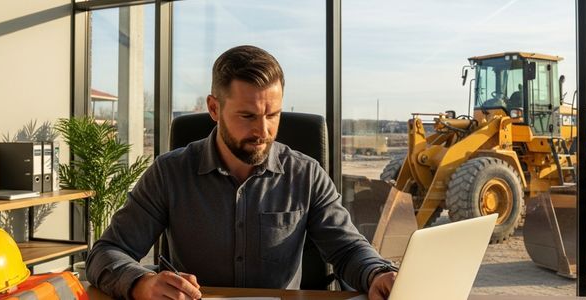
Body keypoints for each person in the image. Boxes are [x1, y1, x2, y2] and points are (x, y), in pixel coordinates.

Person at [86, 45, 397, 300]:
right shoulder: (170, 173)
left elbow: (348, 248)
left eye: (272, 114)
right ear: (214, 108)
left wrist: (376, 273)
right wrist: (141, 283)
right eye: (247, 115)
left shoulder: (306, 174)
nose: (263, 130)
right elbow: (106, 252)